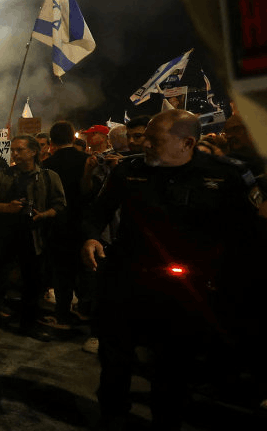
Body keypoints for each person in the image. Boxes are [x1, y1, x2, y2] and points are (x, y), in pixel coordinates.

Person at [82, 109, 262, 430]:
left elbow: (247, 235)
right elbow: (97, 212)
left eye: (155, 140)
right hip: (126, 278)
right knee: (115, 359)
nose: (145, 145)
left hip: (185, 289)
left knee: (173, 365)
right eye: (145, 138)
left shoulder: (226, 176)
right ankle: (112, 415)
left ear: (187, 143)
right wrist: (92, 237)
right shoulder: (127, 172)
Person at [0, 135, 65, 342]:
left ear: (33, 152)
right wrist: (7, 208)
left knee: (32, 282)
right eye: (13, 150)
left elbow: (60, 205)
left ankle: (28, 324)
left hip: (34, 237)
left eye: (20, 150)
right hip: (5, 236)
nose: (15, 154)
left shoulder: (48, 176)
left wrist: (43, 215)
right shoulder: (2, 176)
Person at [41, 121, 90, 329]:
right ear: (72, 138)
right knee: (84, 269)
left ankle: (62, 314)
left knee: (62, 272)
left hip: (57, 223)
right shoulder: (88, 161)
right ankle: (85, 312)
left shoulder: (47, 165)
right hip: (83, 223)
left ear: (52, 141)